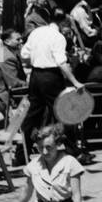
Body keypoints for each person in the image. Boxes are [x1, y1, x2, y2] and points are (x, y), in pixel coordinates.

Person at [20, 10, 88, 150]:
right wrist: (75, 82)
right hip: (51, 76)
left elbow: (24, 54)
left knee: (33, 114)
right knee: (64, 111)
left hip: (35, 76)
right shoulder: (58, 37)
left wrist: (38, 57)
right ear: (63, 24)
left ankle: (21, 153)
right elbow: (61, 63)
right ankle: (73, 150)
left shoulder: (36, 33)